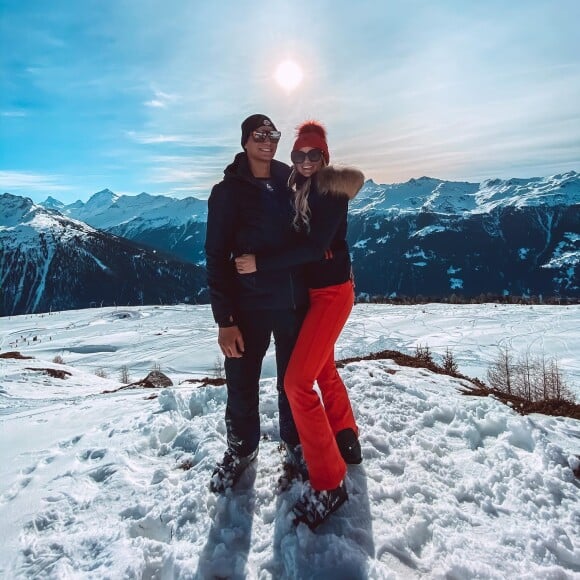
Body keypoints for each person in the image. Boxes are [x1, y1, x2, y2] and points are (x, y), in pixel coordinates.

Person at [235, 121, 364, 528]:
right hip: (317, 294)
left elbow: (312, 247)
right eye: (298, 155)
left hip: (330, 295)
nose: (306, 162)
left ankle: (329, 482)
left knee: (295, 383)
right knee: (321, 367)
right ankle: (346, 437)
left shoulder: (330, 190)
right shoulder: (299, 185)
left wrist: (261, 263)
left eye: (313, 155)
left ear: (324, 156)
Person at [205, 114, 309, 493]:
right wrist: (225, 319)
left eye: (273, 134)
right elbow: (215, 256)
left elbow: (307, 236)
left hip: (292, 300)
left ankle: (296, 446)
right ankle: (241, 449)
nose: (268, 141)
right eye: (260, 135)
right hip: (246, 305)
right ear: (245, 141)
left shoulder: (290, 179)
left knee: (292, 382)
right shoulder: (228, 191)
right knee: (242, 382)